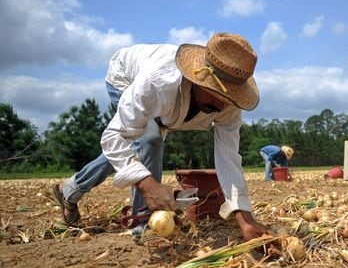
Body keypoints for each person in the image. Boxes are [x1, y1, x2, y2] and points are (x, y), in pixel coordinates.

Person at [53, 33, 271, 241]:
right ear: (198, 78)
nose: (221, 105)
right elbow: (115, 136)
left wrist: (246, 220)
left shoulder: (229, 106)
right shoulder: (158, 81)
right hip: (125, 77)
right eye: (215, 93)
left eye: (228, 97)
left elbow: (228, 157)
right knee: (148, 140)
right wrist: (149, 187)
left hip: (164, 106)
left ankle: (70, 189)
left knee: (140, 146)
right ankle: (144, 222)